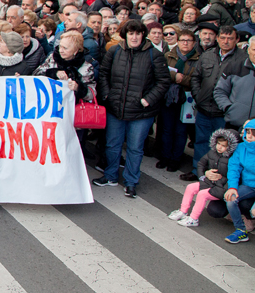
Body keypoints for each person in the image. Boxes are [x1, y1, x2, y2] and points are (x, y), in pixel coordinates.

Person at [94, 20, 172, 198]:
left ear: (143, 34)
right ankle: (110, 175)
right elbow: (104, 74)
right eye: (131, 33)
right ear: (125, 35)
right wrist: (107, 95)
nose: (134, 37)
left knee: (135, 148)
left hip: (141, 112)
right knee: (112, 145)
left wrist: (148, 100)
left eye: (138, 33)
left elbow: (163, 81)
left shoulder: (154, 54)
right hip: (116, 108)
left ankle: (131, 181)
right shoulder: (114, 51)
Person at [185, 26, 246, 181]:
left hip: (224, 113)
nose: (226, 41)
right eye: (223, 38)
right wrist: (198, 96)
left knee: (222, 146)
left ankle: (218, 176)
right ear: (217, 38)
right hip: (204, 108)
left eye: (230, 38)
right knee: (201, 141)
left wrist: (232, 107)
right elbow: (196, 77)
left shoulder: (242, 59)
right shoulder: (208, 55)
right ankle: (198, 171)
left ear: (236, 40)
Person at [168, 129, 239, 227]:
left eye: (224, 146)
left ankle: (194, 218)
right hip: (210, 182)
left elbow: (234, 177)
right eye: (218, 143)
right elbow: (201, 163)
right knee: (190, 187)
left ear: (231, 147)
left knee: (202, 194)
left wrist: (223, 188)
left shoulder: (233, 159)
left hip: (222, 188)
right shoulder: (212, 152)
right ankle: (182, 211)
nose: (219, 147)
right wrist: (203, 175)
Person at [158, 28, 199, 172]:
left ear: (194, 43)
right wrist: (174, 77)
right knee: (167, 129)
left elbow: (198, 79)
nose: (185, 43)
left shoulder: (199, 59)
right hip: (169, 97)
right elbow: (160, 72)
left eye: (189, 41)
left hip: (187, 99)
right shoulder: (168, 55)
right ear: (178, 41)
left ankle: (176, 159)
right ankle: (165, 157)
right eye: (182, 40)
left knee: (181, 131)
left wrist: (183, 80)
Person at [223, 120, 255, 244]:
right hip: (249, 186)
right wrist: (232, 187)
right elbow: (234, 168)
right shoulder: (241, 148)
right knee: (230, 198)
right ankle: (241, 231)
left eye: (253, 132)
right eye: (247, 131)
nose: (249, 135)